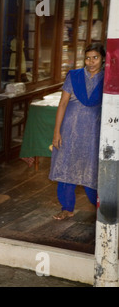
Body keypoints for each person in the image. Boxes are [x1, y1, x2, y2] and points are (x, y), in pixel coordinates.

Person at [49, 43, 105, 220]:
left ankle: (101, 210)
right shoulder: (74, 76)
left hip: (94, 134)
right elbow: (63, 103)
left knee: (92, 169)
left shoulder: (108, 78)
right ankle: (67, 208)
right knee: (66, 167)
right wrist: (57, 132)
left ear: (103, 58)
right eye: (87, 58)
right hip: (70, 131)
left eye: (95, 57)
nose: (90, 62)